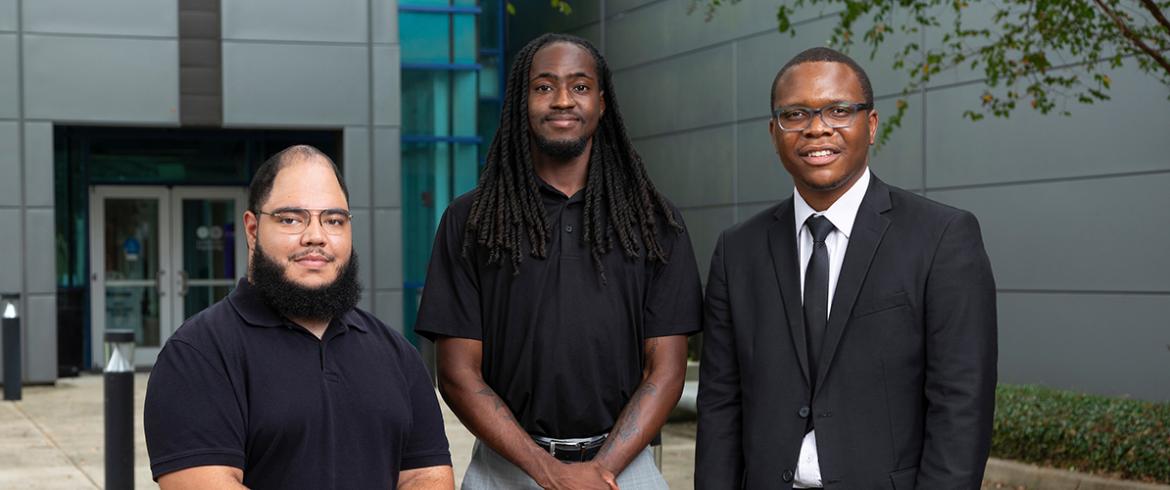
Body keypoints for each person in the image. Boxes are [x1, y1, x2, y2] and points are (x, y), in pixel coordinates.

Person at [695, 47, 998, 489]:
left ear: (871, 125)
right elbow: (720, 403)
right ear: (774, 131)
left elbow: (961, 405)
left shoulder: (943, 238)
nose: (817, 129)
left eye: (838, 110)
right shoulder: (737, 250)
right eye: (795, 114)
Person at [414, 33, 703, 489]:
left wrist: (601, 470)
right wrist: (548, 471)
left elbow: (665, 372)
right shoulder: (471, 221)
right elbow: (456, 374)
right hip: (505, 470)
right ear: (521, 102)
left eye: (580, 86)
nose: (563, 100)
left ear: (602, 103)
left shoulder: (654, 222)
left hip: (625, 469)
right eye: (544, 86)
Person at [144, 145, 454, 489]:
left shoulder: (397, 354)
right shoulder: (197, 353)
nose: (316, 237)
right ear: (251, 229)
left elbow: (426, 476)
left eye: (334, 220)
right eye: (291, 219)